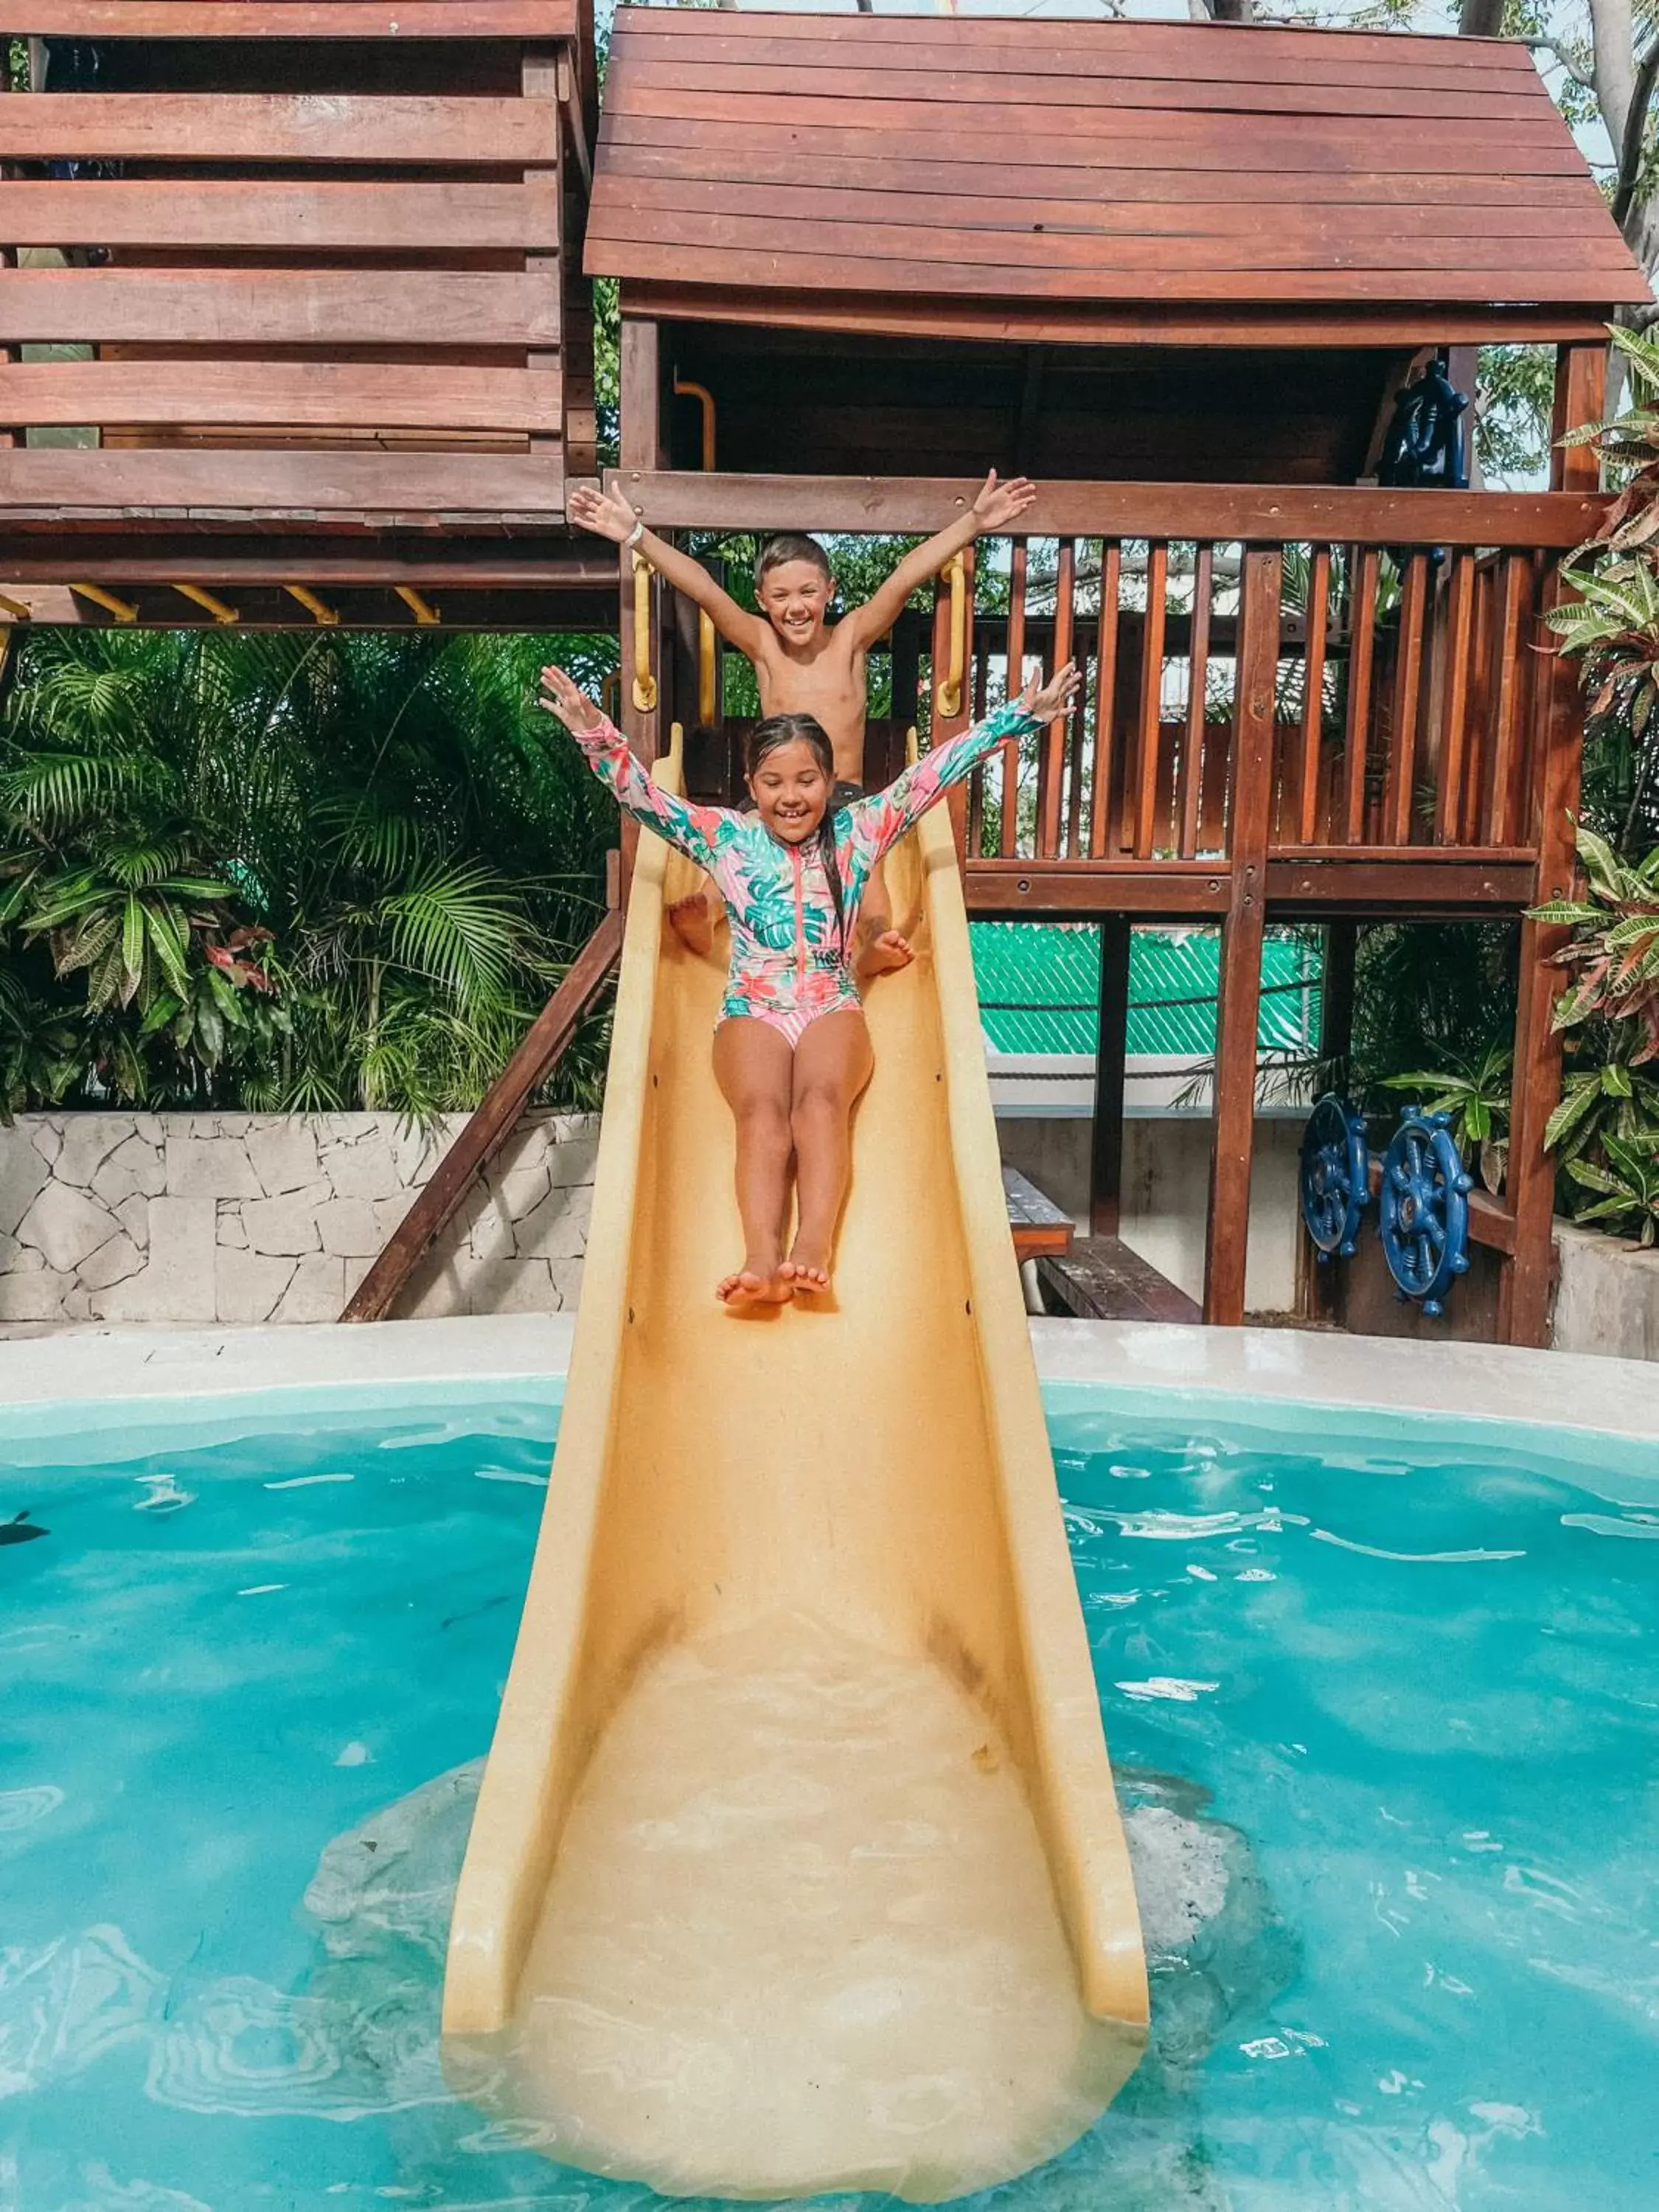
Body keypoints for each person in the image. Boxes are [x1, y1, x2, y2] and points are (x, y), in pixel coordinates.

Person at [540, 658, 1081, 1308]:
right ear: (751, 784)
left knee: (820, 1105)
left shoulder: (860, 831)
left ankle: (813, 1245)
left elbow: (933, 775)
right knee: (763, 1116)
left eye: (806, 779)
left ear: (829, 782)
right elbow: (642, 798)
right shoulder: (727, 839)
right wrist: (595, 731)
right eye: (773, 782)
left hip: (831, 1000)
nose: (790, 796)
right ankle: (763, 1260)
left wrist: (1023, 715)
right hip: (751, 1003)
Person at [566, 469, 1039, 977]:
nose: (796, 607)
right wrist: (636, 537)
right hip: (777, 799)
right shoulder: (762, 646)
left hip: (843, 796)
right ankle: (707, 913)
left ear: (830, 590)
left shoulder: (851, 638)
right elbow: (703, 588)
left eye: (808, 592)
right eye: (782, 596)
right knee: (743, 845)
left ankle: (876, 938)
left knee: (863, 863)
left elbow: (904, 576)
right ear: (762, 599)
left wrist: (973, 522)